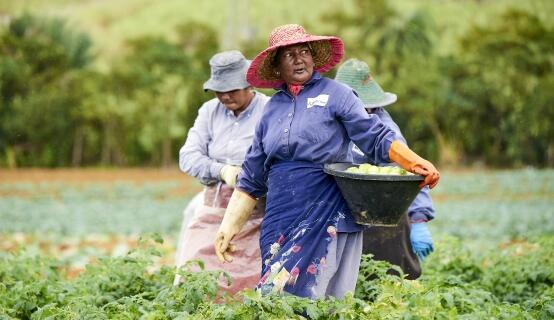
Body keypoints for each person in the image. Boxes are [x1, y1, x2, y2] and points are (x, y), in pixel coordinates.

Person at [214, 24, 440, 299]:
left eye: (304, 51)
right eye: (289, 55)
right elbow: (251, 177)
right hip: (281, 215)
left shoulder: (338, 95)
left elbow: (375, 136)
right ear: (276, 66)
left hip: (327, 209)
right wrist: (228, 227)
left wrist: (415, 162)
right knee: (276, 299)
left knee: (319, 299)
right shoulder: (271, 109)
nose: (299, 59)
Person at [176, 50, 269, 295]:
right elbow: (188, 157)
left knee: (249, 284)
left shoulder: (269, 110)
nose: (225, 96)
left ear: (249, 83)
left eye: (232, 89)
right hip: (214, 205)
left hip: (257, 210)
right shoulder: (209, 111)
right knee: (194, 272)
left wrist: (249, 177)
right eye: (220, 90)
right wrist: (222, 170)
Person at [335, 58, 436, 279]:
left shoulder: (384, 130)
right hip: (346, 214)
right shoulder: (333, 123)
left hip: (386, 213)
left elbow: (409, 172)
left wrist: (419, 219)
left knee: (390, 277)